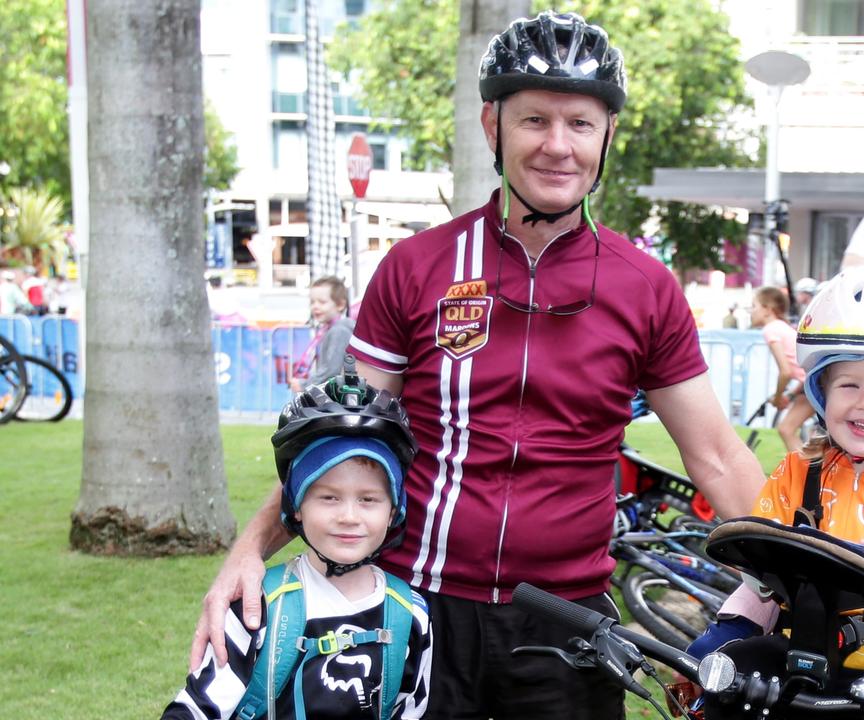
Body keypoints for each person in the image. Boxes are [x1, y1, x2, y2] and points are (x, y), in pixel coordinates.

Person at [190, 11, 763, 720]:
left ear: (607, 134)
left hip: (567, 621)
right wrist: (248, 551)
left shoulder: (645, 287)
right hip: (415, 605)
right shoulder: (416, 268)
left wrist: (794, 587)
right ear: (493, 127)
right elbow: (340, 444)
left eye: (581, 124)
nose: (559, 146)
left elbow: (715, 455)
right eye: (535, 121)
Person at [688, 263, 864, 707]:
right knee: (724, 681)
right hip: (794, 651)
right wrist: (738, 615)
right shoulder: (795, 472)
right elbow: (758, 565)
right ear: (821, 392)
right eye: (849, 384)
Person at [165, 371, 430, 719]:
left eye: (368, 499)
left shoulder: (410, 614)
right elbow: (198, 710)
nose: (349, 516)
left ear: (394, 510)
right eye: (329, 498)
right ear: (296, 507)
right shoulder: (257, 607)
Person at [750, 286, 814, 453]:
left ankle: (808, 476)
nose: (751, 312)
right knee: (786, 429)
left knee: (787, 430)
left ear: (768, 310)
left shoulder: (770, 330)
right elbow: (803, 371)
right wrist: (791, 395)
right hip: (814, 382)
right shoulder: (782, 327)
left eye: (754, 306)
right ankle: (807, 474)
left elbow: (785, 371)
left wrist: (778, 398)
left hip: (816, 384)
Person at [289, 276, 357, 392]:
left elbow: (331, 371)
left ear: (340, 305)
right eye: (312, 302)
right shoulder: (332, 329)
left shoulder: (339, 331)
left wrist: (304, 385)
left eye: (322, 302)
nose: (315, 306)